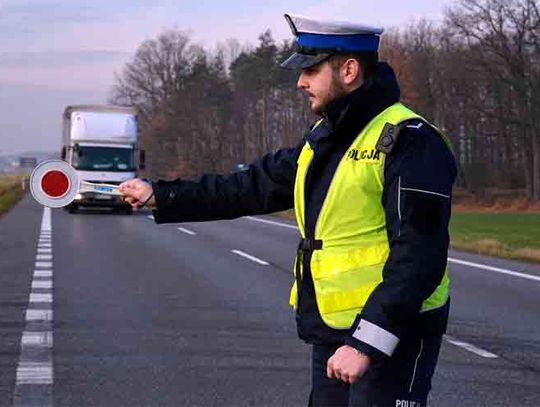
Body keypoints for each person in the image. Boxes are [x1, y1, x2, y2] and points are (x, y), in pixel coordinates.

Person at [119, 14, 457, 407]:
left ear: (348, 70)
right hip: (333, 331)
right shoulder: (325, 138)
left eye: (311, 70)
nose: (300, 82)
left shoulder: (410, 141)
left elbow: (420, 256)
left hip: (391, 335)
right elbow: (247, 187)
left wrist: (366, 343)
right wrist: (159, 194)